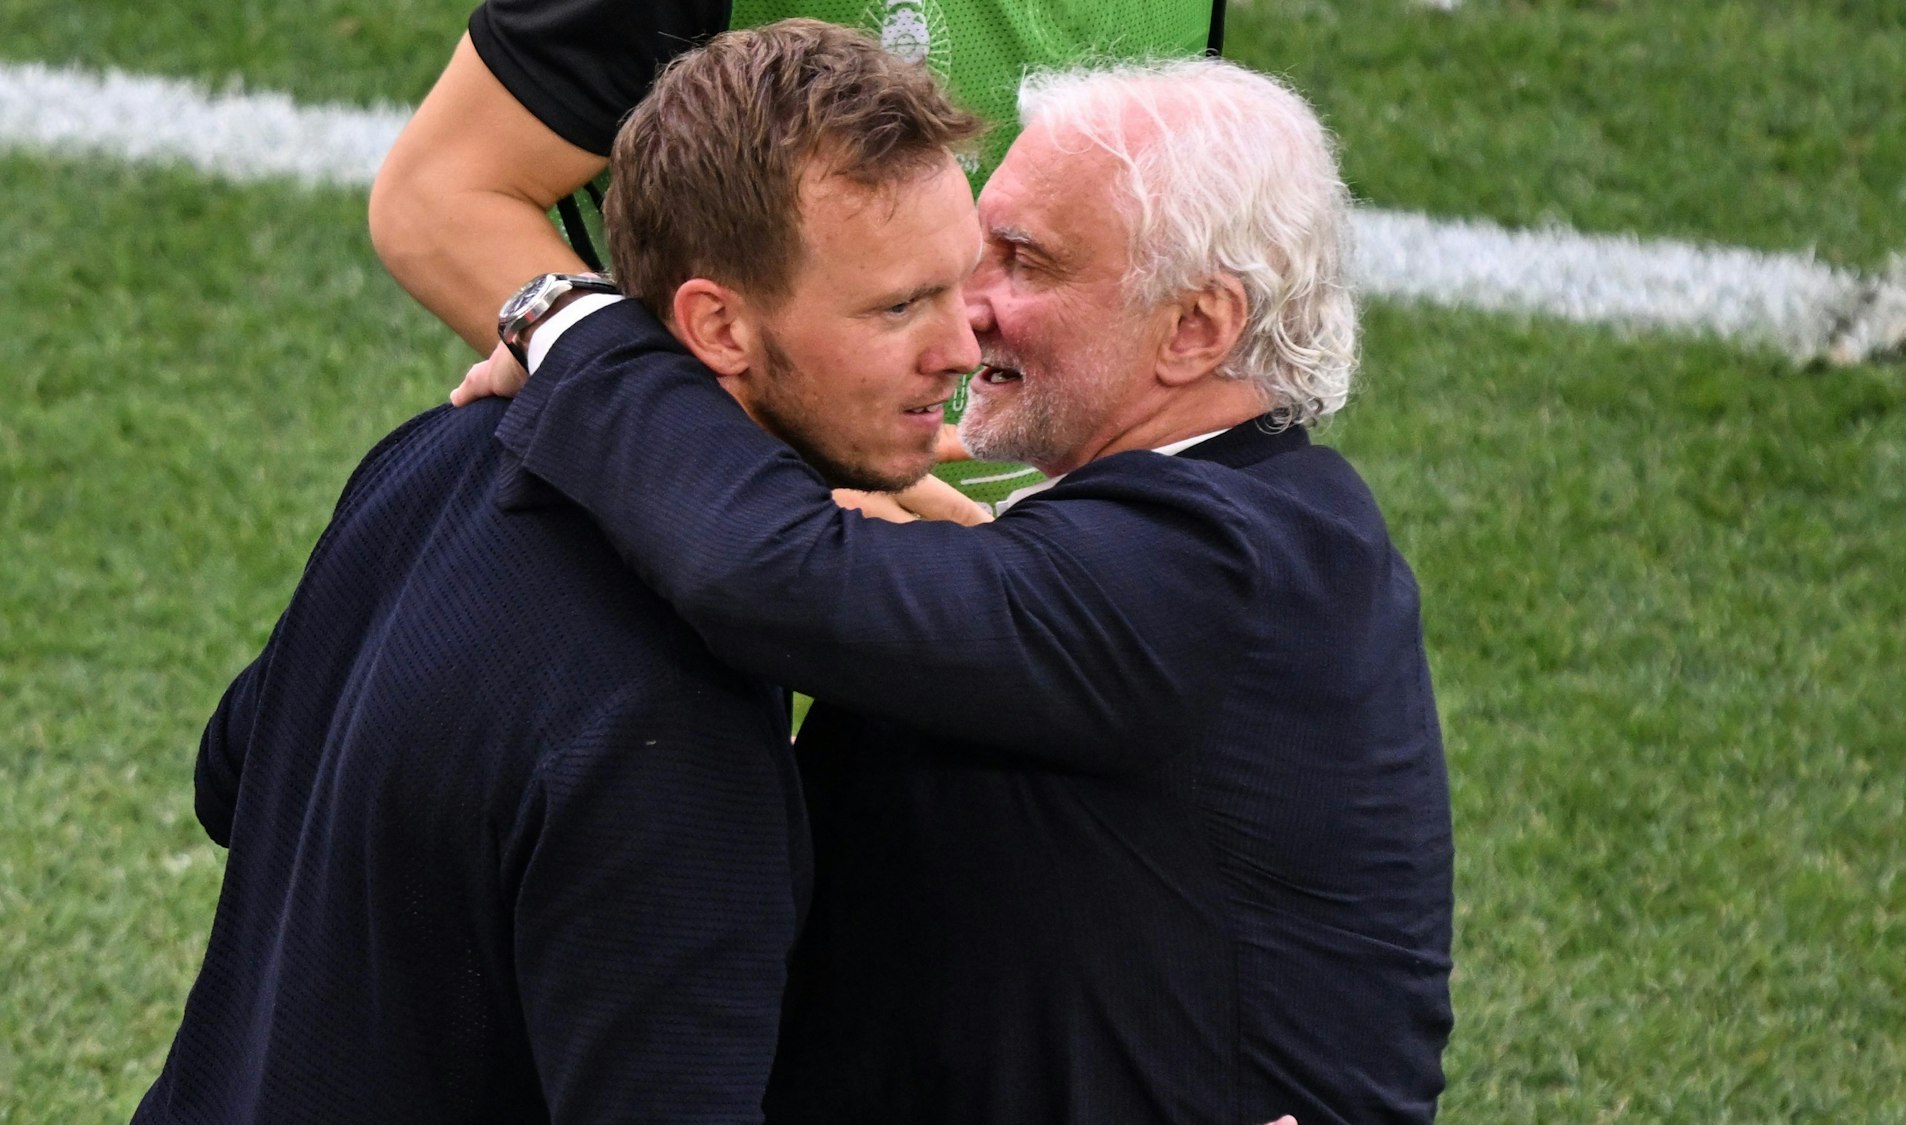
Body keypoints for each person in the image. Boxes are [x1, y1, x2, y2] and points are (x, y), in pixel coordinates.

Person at [472, 55, 1455, 1124]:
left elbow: (767, 572)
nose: (966, 313)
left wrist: (577, 328)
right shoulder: (1234, 528)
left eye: (1023, 262)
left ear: (1195, 328)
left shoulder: (1218, 563)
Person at [132, 22, 985, 1123]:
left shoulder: (438, 451)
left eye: (962, 285)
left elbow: (232, 775)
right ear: (718, 325)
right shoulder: (679, 725)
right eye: (899, 307)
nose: (962, 350)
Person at [371, 0, 1226, 516]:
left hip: (1065, 553)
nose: (965, 347)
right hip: (736, 578)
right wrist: (732, 461)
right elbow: (441, 197)